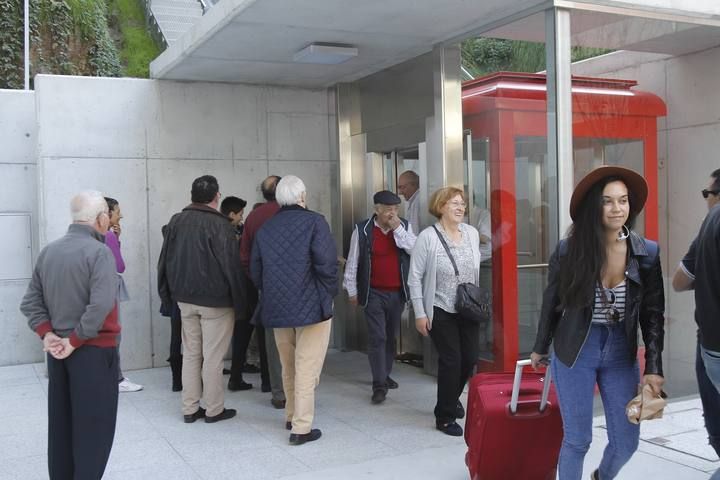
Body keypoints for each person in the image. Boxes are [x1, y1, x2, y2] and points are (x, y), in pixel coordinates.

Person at [530, 166, 665, 480]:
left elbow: (653, 313)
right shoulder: (570, 250)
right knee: (578, 440)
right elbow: (552, 301)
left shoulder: (646, 252)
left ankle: (601, 476)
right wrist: (539, 346)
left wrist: (654, 366)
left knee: (627, 442)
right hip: (576, 348)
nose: (617, 208)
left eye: (623, 200)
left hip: (621, 351)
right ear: (595, 206)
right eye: (608, 201)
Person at [20, 190, 120, 479]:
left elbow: (30, 302)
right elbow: (100, 305)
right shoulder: (100, 252)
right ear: (101, 218)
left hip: (58, 353)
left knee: (61, 428)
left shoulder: (49, 251)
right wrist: (74, 340)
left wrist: (48, 335)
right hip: (92, 352)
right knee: (94, 431)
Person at [250, 175, 338, 445]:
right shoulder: (315, 222)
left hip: (276, 307)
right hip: (312, 307)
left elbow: (255, 271)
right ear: (302, 196)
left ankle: (291, 415)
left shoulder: (266, 228)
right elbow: (327, 265)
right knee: (307, 367)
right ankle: (301, 427)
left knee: (288, 364)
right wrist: (328, 294)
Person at [158, 175, 247, 424]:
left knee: (191, 354)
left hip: (184, 299)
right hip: (216, 301)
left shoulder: (176, 221)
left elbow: (164, 261)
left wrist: (166, 295)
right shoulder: (221, 225)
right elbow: (231, 267)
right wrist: (241, 304)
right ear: (217, 197)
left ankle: (189, 408)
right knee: (213, 357)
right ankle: (214, 409)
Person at [408, 186, 482, 436]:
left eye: (462, 204)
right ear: (441, 207)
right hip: (440, 308)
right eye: (454, 203)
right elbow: (414, 278)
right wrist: (420, 312)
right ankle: (444, 416)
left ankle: (451, 397)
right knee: (452, 361)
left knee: (470, 358)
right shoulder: (428, 237)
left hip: (467, 308)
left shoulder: (471, 233)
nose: (461, 208)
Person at [343, 190, 416, 404]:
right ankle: (379, 385)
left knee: (391, 337)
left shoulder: (404, 226)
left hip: (397, 292)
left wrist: (397, 229)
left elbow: (415, 249)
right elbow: (353, 261)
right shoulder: (363, 229)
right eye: (388, 210)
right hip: (373, 292)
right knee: (378, 337)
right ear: (377, 210)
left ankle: (384, 373)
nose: (392, 214)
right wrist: (352, 290)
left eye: (395, 209)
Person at [672, 168, 720, 468]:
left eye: (707, 194)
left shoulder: (709, 224)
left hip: (712, 341)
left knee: (714, 414)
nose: (706, 200)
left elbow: (679, 281)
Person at [240, 175, 287, 408]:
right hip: (298, 289)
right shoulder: (296, 213)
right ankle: (297, 390)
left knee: (270, 339)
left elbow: (245, 255)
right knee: (298, 343)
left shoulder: (254, 216)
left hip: (266, 288)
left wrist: (259, 281)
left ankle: (272, 386)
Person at [104, 197, 143, 393]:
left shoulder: (93, 234)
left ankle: (109, 376)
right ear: (107, 213)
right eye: (118, 211)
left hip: (94, 291)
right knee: (114, 335)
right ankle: (117, 379)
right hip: (108, 291)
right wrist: (115, 239)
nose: (121, 215)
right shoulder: (108, 235)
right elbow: (119, 266)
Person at [220, 195, 255, 391]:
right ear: (232, 214)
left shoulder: (232, 232)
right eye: (240, 215)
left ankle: (235, 374)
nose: (242, 218)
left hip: (227, 294)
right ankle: (235, 376)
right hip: (237, 292)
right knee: (241, 333)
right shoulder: (226, 234)